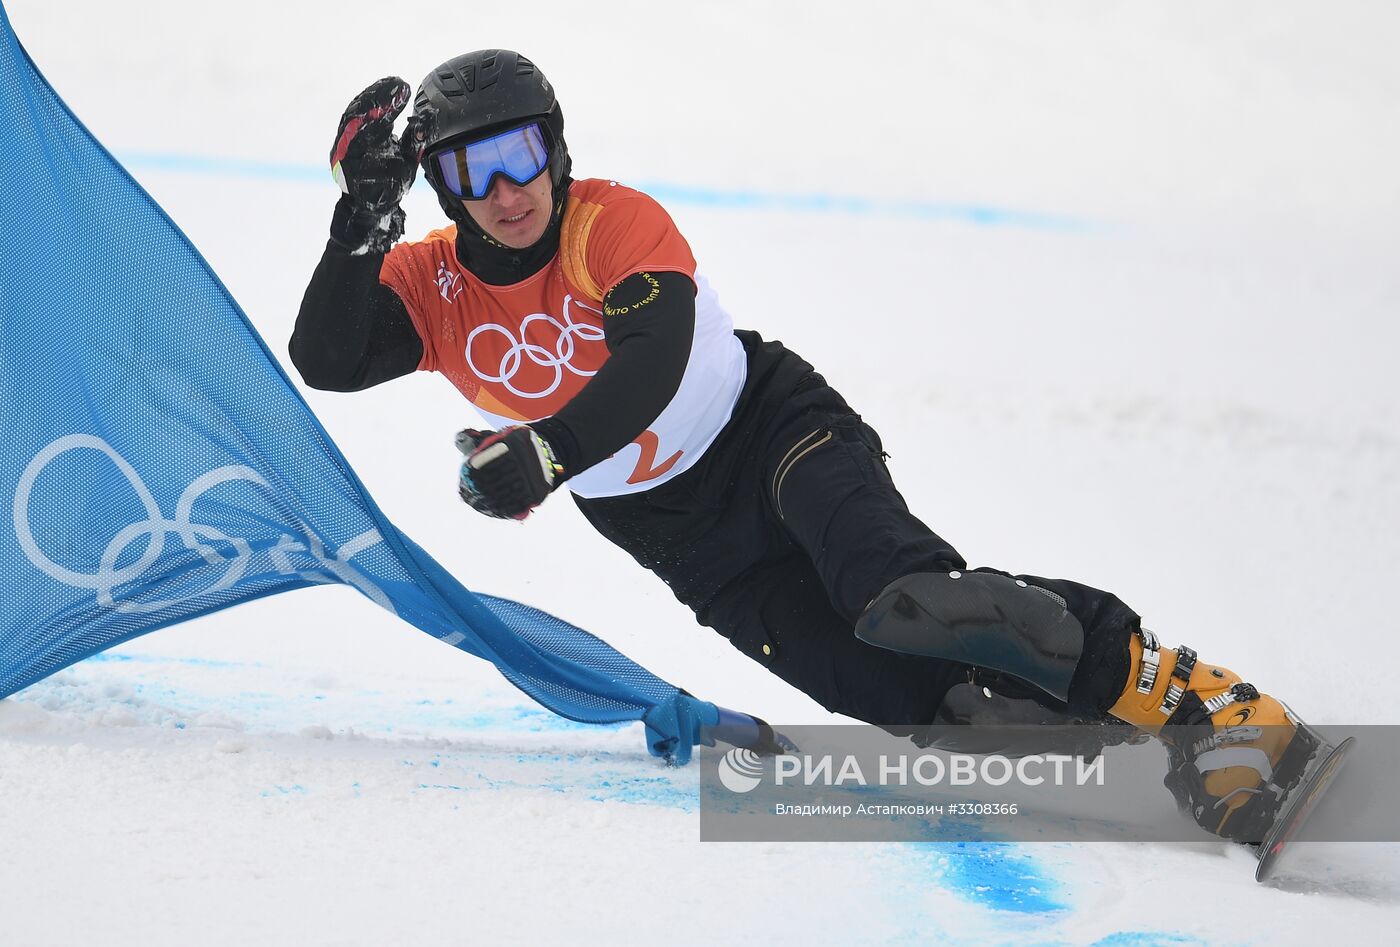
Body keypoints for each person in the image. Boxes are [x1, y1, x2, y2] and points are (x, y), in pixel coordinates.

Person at [290, 49, 1317, 845]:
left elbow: (649, 362)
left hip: (771, 433)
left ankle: (1213, 708)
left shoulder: (608, 222)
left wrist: (549, 453)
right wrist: (357, 226)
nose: (506, 190)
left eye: (521, 154)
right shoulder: (431, 281)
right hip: (678, 536)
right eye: (472, 170)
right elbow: (325, 357)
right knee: (928, 708)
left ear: (555, 149)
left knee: (909, 601)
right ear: (438, 187)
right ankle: (1164, 772)